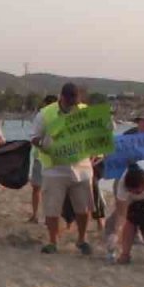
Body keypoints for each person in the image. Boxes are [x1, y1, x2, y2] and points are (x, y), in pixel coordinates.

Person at [32, 83, 94, 255]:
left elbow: (97, 133)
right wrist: (46, 146)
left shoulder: (85, 111)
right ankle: (53, 241)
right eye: (69, 100)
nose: (72, 104)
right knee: (52, 207)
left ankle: (82, 239)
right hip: (55, 168)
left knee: (83, 207)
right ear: (62, 97)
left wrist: (98, 148)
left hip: (82, 168)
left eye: (75, 100)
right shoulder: (45, 114)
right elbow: (34, 137)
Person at [28, 94, 57, 222]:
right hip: (40, 157)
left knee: (49, 190)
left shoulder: (59, 118)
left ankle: (47, 216)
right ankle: (35, 215)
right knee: (37, 187)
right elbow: (33, 136)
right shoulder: (41, 117)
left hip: (53, 159)